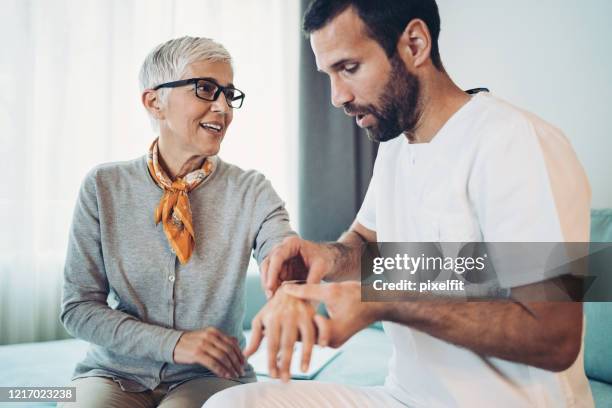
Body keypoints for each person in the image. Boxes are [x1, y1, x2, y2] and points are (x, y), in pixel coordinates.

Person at [204, 0, 594, 407]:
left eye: (348, 68)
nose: (337, 97)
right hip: (406, 397)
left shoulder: (516, 144)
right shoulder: (395, 146)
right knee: (231, 404)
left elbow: (556, 336)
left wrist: (384, 300)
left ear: (414, 44)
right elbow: (366, 244)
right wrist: (325, 257)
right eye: (329, 74)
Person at [58, 36, 295, 408]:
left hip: (210, 377)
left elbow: (283, 250)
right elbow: (78, 309)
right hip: (113, 375)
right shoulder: (102, 187)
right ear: (155, 102)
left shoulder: (251, 190)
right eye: (205, 89)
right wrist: (175, 343)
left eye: (228, 94)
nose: (223, 108)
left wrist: (288, 283)